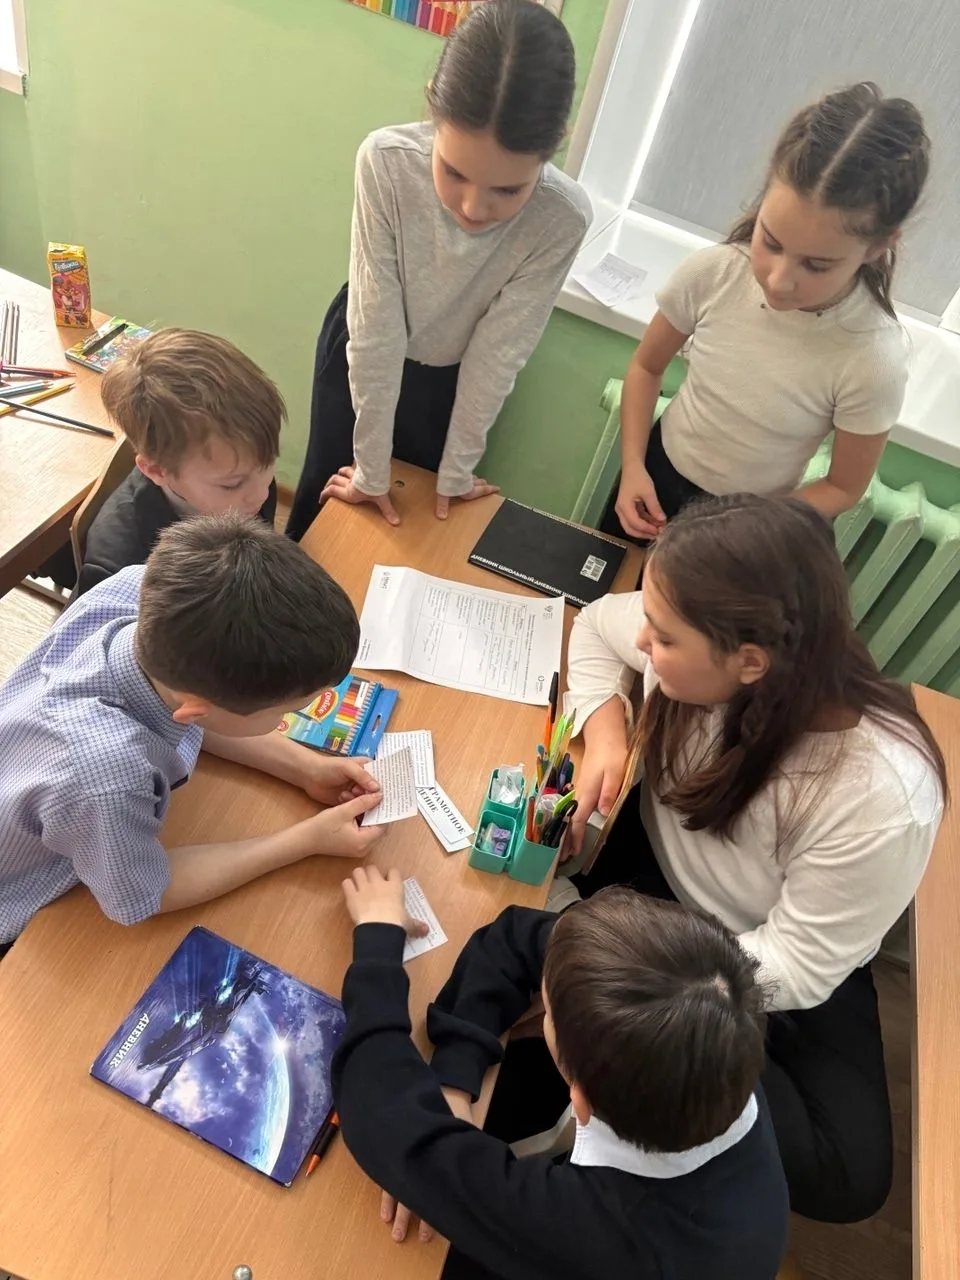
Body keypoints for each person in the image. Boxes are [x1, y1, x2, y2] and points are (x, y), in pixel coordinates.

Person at [563, 494, 946, 1223]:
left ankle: (636, 1094)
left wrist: (648, 1006)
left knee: (849, 1173)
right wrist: (606, 733)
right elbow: (593, 626)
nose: (644, 640)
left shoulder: (881, 796)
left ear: (750, 663)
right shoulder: (693, 632)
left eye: (663, 638)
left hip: (767, 952)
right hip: (657, 884)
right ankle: (639, 1094)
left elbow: (798, 963)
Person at [333, 866, 789, 1280]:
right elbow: (516, 937)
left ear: (580, 1101)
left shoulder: (589, 1233)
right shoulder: (712, 1033)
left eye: (547, 1011)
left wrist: (377, 940)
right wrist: (454, 1079)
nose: (543, 1001)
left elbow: (380, 1109)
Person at [0, 514, 384, 956]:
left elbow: (199, 713)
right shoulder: (108, 780)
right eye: (286, 710)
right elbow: (148, 893)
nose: (293, 715)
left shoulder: (140, 592)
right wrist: (306, 839)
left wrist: (305, 767)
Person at [286, 0, 592, 540]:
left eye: (507, 189)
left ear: (555, 145)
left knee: (416, 525)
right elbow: (376, 329)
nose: (474, 208)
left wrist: (457, 471)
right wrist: (371, 470)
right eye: (454, 172)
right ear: (434, 106)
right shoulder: (385, 161)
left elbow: (498, 353)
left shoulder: (561, 218)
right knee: (326, 507)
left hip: (456, 377)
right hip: (363, 350)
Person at [602, 83, 930, 544]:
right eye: (770, 241)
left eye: (816, 265)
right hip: (656, 474)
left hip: (751, 521)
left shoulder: (872, 358)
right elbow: (645, 366)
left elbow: (844, 486)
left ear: (877, 247)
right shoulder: (713, 273)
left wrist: (749, 527)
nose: (778, 280)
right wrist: (634, 466)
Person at [74, 328, 283, 594]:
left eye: (268, 463)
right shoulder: (120, 570)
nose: (261, 494)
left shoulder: (246, 473)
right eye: (232, 484)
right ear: (156, 470)